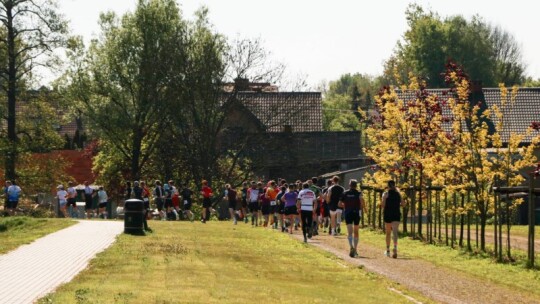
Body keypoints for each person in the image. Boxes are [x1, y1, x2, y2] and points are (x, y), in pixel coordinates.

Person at [339, 179, 365, 258]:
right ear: (356, 185)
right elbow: (362, 202)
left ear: (349, 185)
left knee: (350, 232)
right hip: (356, 213)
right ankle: (356, 249)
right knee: (356, 231)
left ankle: (351, 247)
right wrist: (361, 207)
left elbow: (339, 204)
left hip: (348, 213)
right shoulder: (359, 193)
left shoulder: (345, 193)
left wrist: (346, 206)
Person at [381, 180, 404, 258]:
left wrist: (384, 199)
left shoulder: (385, 194)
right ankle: (395, 247)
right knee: (395, 232)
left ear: (388, 186)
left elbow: (383, 205)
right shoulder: (398, 194)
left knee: (388, 233)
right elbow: (403, 204)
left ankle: (387, 250)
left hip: (388, 214)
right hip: (396, 214)